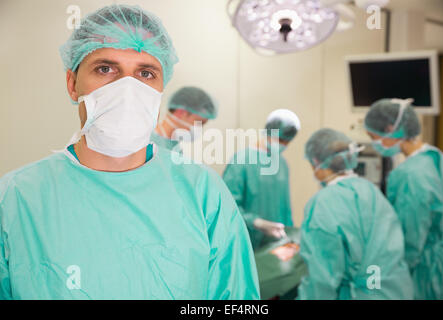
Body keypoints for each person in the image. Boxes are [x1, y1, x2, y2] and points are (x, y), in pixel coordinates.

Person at [0, 4, 259, 300]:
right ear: (72, 85)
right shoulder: (16, 198)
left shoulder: (203, 193)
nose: (127, 88)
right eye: (105, 69)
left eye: (146, 73)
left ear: (161, 89)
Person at [297, 128, 413, 300]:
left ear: (318, 164)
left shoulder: (323, 204)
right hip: (395, 290)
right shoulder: (371, 191)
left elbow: (321, 280)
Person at [365, 98, 443, 300]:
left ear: (389, 129)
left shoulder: (411, 175)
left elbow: (410, 237)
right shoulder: (436, 156)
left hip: (425, 272)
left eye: (373, 136)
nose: (373, 142)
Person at [222, 109, 301, 250]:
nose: (283, 144)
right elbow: (226, 206)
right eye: (280, 139)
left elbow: (285, 208)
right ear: (269, 132)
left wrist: (289, 236)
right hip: (246, 243)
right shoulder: (242, 160)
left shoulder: (281, 163)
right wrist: (256, 222)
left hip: (277, 244)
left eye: (287, 142)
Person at [152, 86, 217, 152]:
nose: (199, 128)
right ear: (180, 112)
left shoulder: (176, 150)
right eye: (198, 122)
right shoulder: (147, 140)